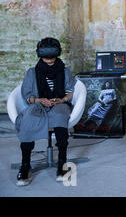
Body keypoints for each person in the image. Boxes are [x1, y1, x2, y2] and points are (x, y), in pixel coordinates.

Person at [16, 37, 76, 186]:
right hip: (38, 104)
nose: (49, 60)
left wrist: (61, 100)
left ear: (57, 54)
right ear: (40, 55)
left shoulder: (64, 71)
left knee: (60, 116)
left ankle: (62, 162)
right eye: (45, 57)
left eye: (52, 57)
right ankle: (25, 164)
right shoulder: (32, 72)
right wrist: (39, 100)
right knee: (28, 119)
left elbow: (71, 92)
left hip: (59, 103)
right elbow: (27, 96)